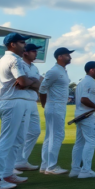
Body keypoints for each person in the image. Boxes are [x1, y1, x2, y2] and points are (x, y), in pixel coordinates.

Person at [0, 33, 39, 189]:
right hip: (13, 103)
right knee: (6, 141)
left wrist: (1, 90)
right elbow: (24, 82)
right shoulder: (13, 59)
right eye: (21, 42)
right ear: (12, 44)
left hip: (15, 101)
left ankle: (5, 173)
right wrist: (33, 82)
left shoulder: (3, 60)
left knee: (17, 140)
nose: (24, 45)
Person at [38, 47, 74, 175]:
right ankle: (51, 167)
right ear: (60, 57)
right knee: (57, 136)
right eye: (67, 55)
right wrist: (45, 104)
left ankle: (45, 165)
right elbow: (42, 89)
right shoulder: (53, 71)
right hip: (55, 105)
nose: (70, 57)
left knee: (50, 136)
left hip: (58, 105)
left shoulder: (62, 71)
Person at [70, 61, 95, 179]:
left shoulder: (82, 82)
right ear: (91, 70)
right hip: (87, 115)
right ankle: (86, 170)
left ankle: (75, 169)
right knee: (91, 142)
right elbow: (84, 99)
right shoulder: (89, 82)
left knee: (79, 143)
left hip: (80, 115)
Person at [14, 43, 44, 171]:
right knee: (19, 134)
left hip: (32, 101)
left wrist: (33, 83)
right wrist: (34, 83)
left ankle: (21, 160)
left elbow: (39, 83)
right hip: (22, 100)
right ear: (25, 52)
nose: (36, 53)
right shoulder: (20, 64)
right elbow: (22, 84)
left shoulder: (34, 68)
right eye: (33, 51)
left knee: (35, 131)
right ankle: (13, 162)